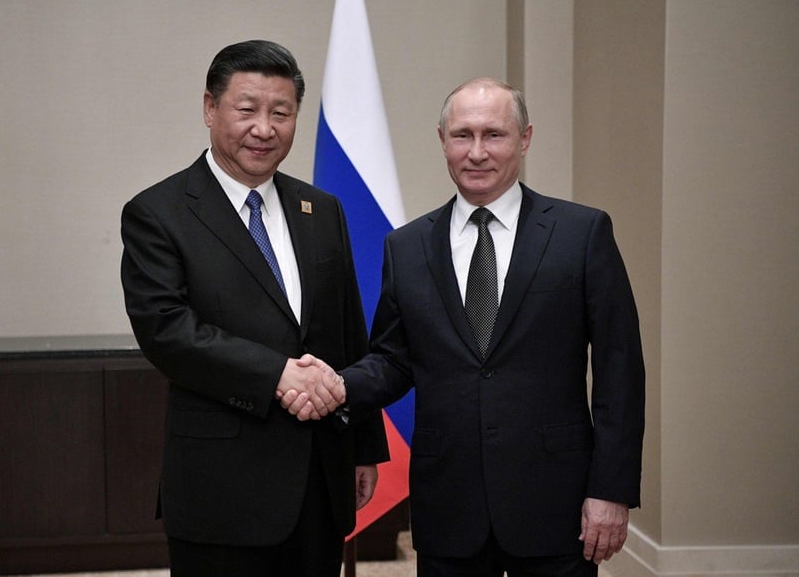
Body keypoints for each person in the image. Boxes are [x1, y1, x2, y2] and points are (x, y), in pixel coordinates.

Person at [283, 77, 645, 576]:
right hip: (447, 503)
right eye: (462, 135)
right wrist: (339, 386)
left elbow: (619, 371)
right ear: (442, 141)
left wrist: (610, 489)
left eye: (493, 135)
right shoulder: (406, 247)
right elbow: (393, 359)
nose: (476, 152)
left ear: (525, 138)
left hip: (554, 501)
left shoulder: (581, 234)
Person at [119, 39, 389, 577]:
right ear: (209, 108)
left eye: (281, 112)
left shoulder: (321, 209)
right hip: (222, 488)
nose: (264, 128)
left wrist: (363, 445)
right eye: (247, 109)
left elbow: (347, 331)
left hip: (319, 475)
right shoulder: (159, 212)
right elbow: (168, 333)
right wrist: (278, 376)